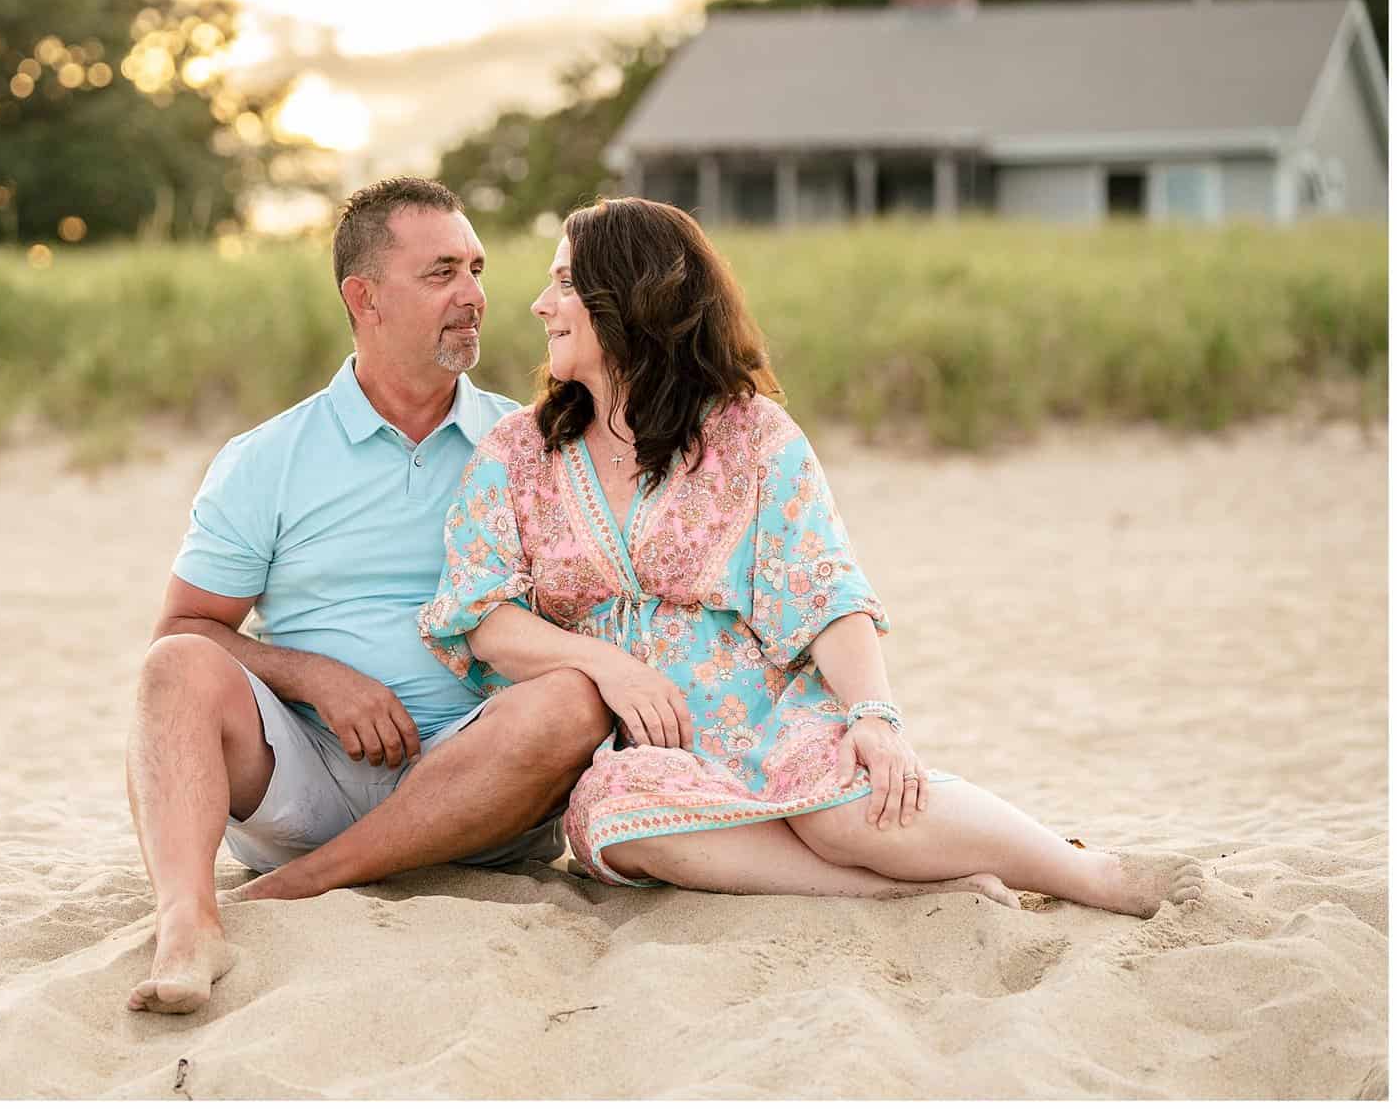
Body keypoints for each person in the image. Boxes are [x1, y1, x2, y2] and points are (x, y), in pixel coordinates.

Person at [418, 196, 1204, 915]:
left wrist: (873, 716)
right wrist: (605, 666)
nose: (540, 304)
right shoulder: (519, 452)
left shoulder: (750, 435)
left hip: (768, 710)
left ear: (626, 298)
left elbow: (823, 585)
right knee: (617, 820)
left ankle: (1086, 873)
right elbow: (482, 615)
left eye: (564, 282)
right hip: (642, 749)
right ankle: (905, 890)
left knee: (844, 809)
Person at [124, 178, 613, 1016]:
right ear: (365, 297)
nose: (474, 295)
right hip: (308, 774)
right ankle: (187, 920)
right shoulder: (269, 458)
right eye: (441, 272)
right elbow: (189, 626)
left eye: (476, 267)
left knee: (572, 700)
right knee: (173, 666)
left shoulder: (531, 442)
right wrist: (318, 677)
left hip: (483, 787)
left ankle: (312, 883)